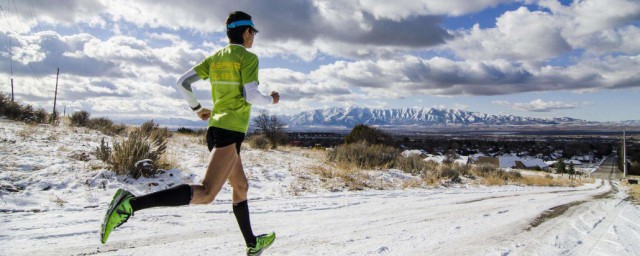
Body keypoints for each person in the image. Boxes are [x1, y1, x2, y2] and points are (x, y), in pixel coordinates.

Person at [100, 11, 279, 256]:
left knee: (241, 186)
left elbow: (182, 82)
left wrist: (197, 108)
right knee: (206, 193)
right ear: (247, 32)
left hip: (217, 129)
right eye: (253, 33)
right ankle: (130, 205)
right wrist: (272, 99)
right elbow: (252, 96)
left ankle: (251, 243)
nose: (253, 38)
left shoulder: (215, 58)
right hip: (229, 132)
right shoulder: (248, 58)